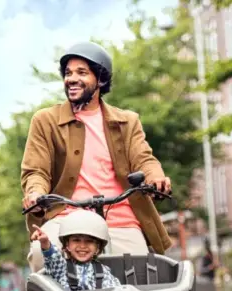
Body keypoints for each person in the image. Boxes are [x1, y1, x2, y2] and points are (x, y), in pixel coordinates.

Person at [21, 41, 173, 273]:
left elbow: (144, 158)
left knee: (143, 274)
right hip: (67, 218)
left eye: (82, 72)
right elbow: (36, 171)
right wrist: (35, 193)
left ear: (100, 79)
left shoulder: (127, 121)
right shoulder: (45, 121)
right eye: (68, 73)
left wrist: (156, 176)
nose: (71, 78)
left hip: (121, 219)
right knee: (43, 257)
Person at [30, 209, 120, 291]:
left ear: (97, 248)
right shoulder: (62, 268)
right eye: (76, 240)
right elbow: (53, 258)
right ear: (67, 245)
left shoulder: (103, 271)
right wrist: (45, 242)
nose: (82, 246)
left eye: (89, 241)